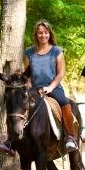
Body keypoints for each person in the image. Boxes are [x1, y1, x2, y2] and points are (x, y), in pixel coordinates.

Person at [23, 19, 78, 152]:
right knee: (18, 104)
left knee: (64, 102)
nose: (43, 35)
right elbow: (27, 75)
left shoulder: (57, 51)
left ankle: (70, 137)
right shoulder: (29, 53)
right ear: (36, 35)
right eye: (40, 33)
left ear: (50, 33)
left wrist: (50, 88)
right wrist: (29, 88)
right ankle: (12, 140)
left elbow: (61, 73)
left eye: (46, 32)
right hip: (34, 89)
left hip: (53, 87)